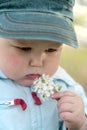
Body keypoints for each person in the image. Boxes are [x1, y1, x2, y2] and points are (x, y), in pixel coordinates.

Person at [0, 0, 87, 130]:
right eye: (24, 49)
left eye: (51, 50)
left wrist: (80, 124)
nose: (37, 62)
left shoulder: (68, 88)